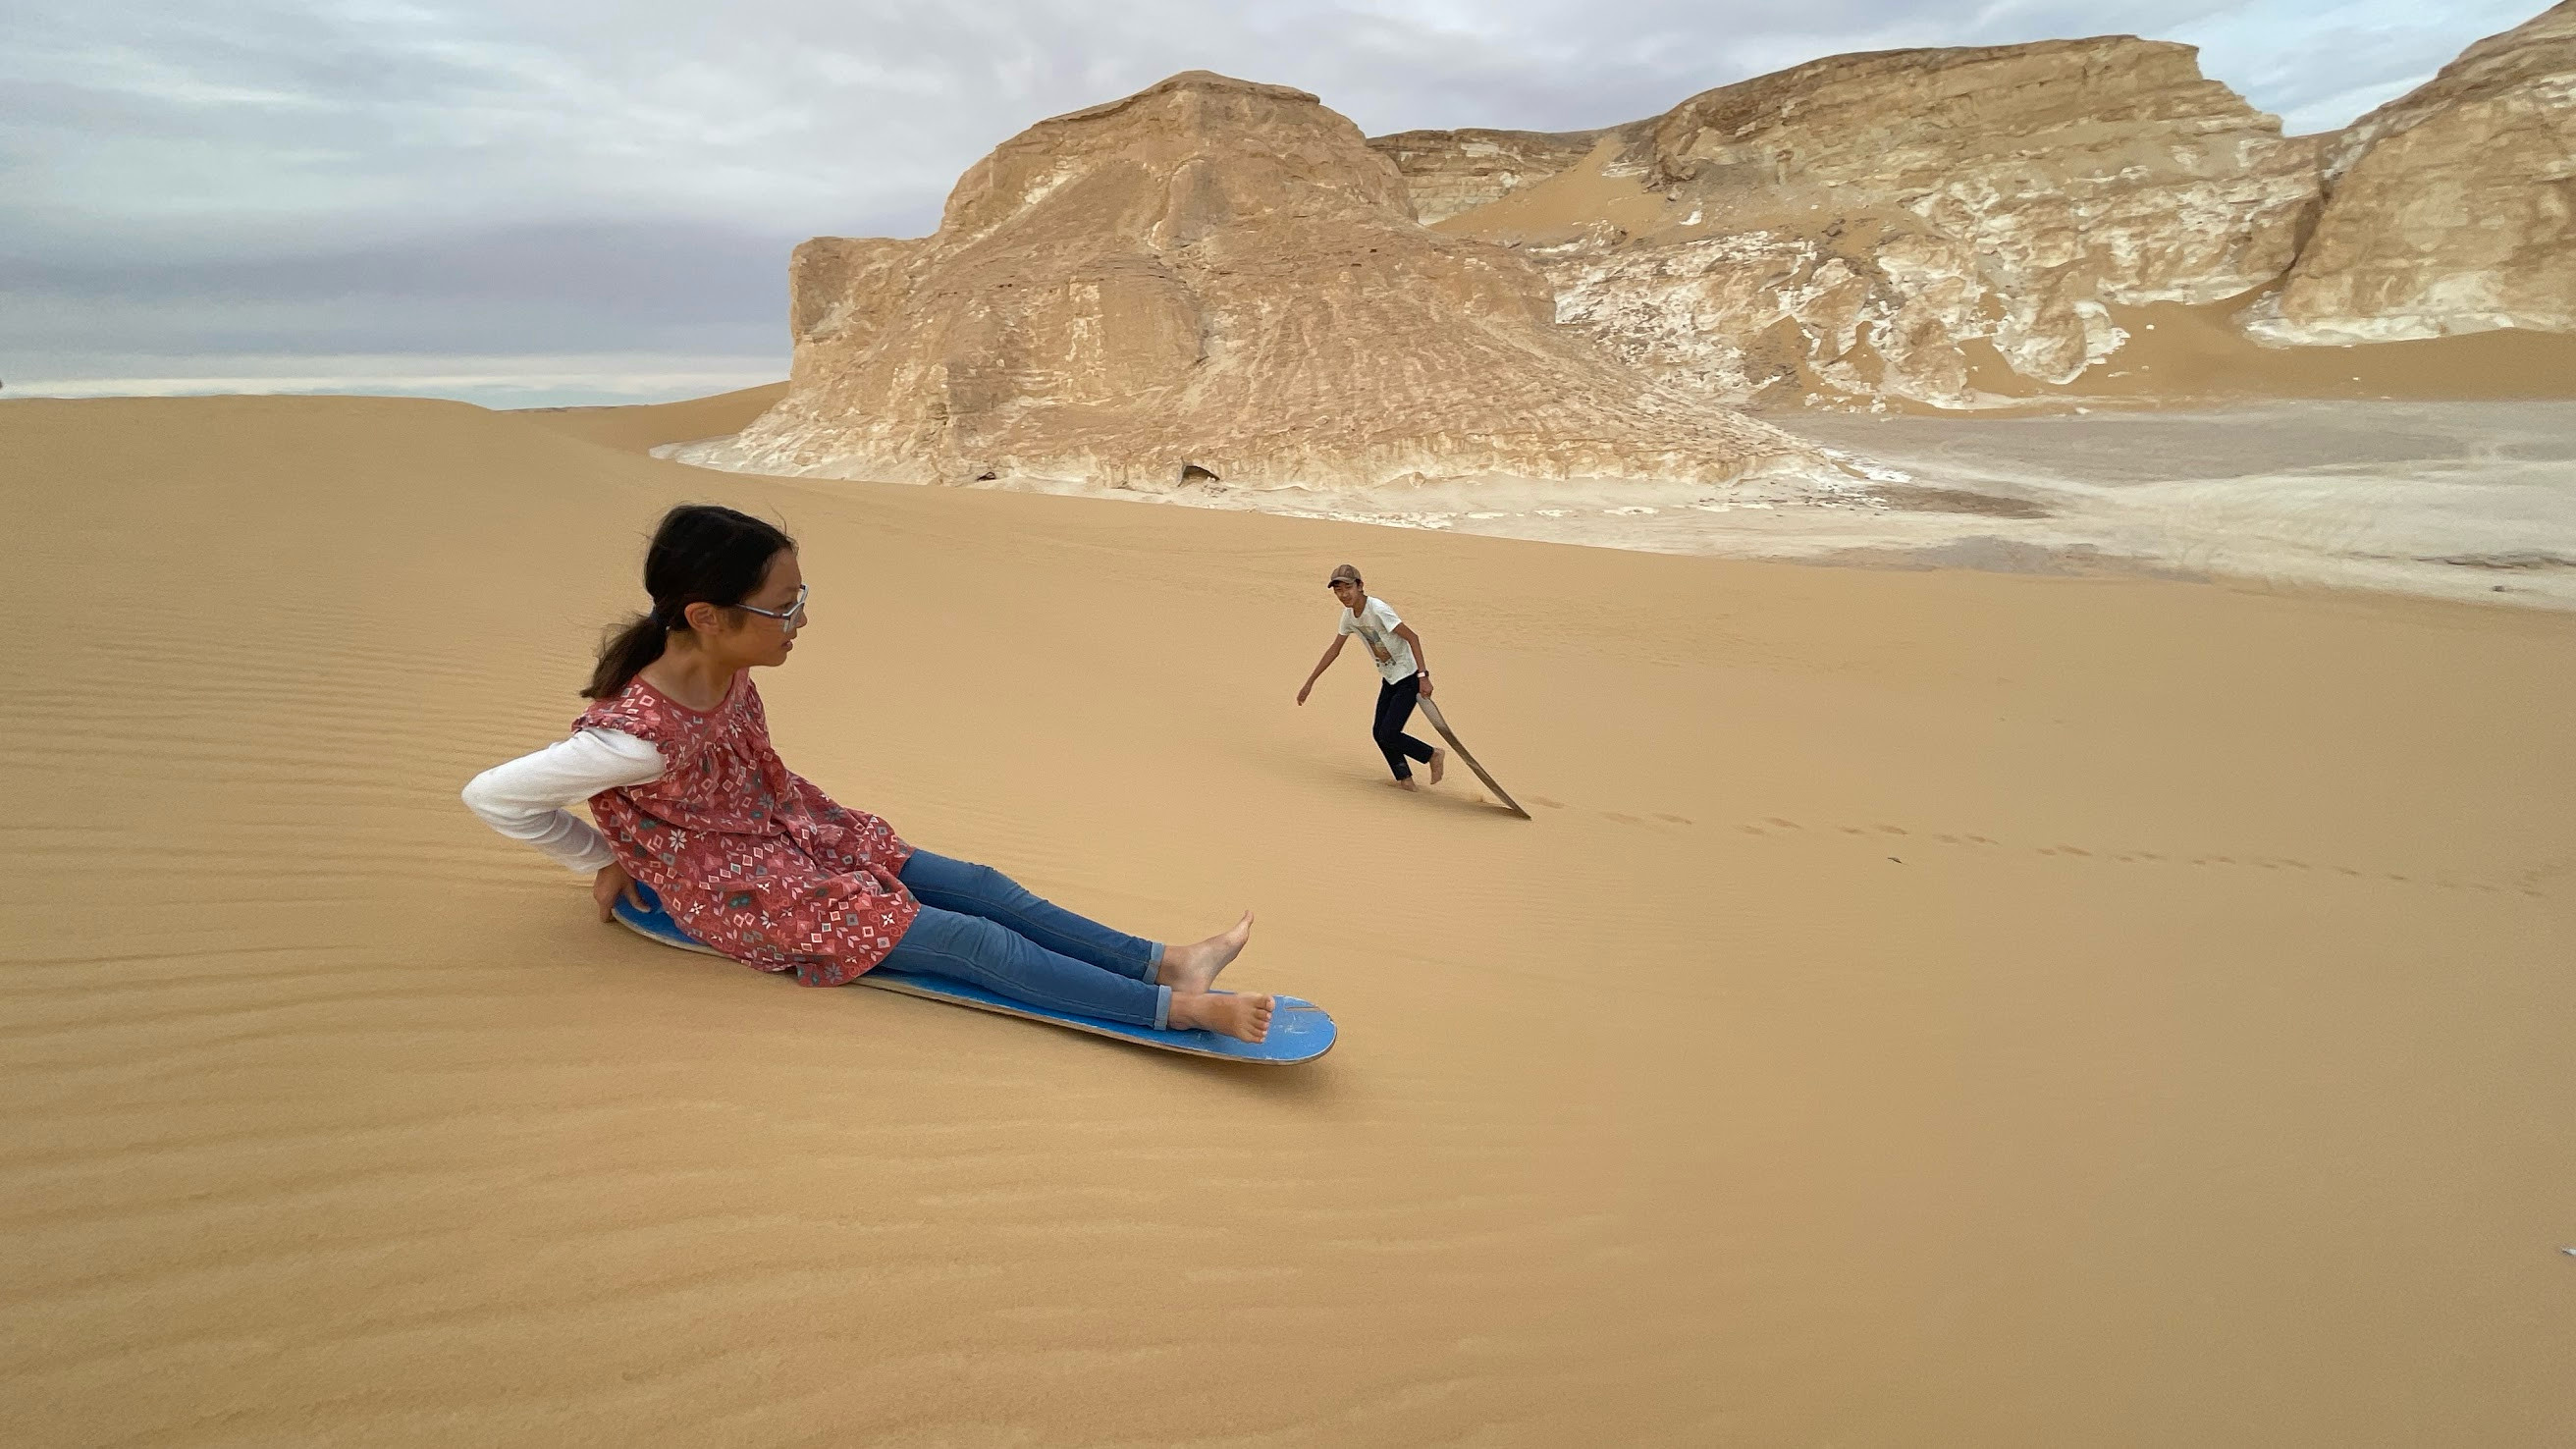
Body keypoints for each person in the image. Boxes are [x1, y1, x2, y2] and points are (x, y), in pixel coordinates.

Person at [461, 504, 1272, 1042]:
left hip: (797, 833)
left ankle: (1165, 959)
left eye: (800, 594)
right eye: (784, 606)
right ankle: (1176, 1010)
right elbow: (492, 796)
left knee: (982, 885)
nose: (802, 618)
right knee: (971, 940)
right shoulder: (634, 742)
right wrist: (600, 858)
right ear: (708, 619)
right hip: (745, 891)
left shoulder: (716, 664)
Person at [1294, 564, 1447, 792]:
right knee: (1379, 734)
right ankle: (1405, 779)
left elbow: (1413, 638)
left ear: (1360, 586)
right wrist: (1310, 682)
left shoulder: (1378, 609)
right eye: (1338, 591)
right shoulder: (1348, 617)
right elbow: (1334, 649)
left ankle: (1432, 754)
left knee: (1389, 732)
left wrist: (1423, 676)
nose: (1343, 594)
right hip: (1390, 678)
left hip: (1408, 676)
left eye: (1347, 587)